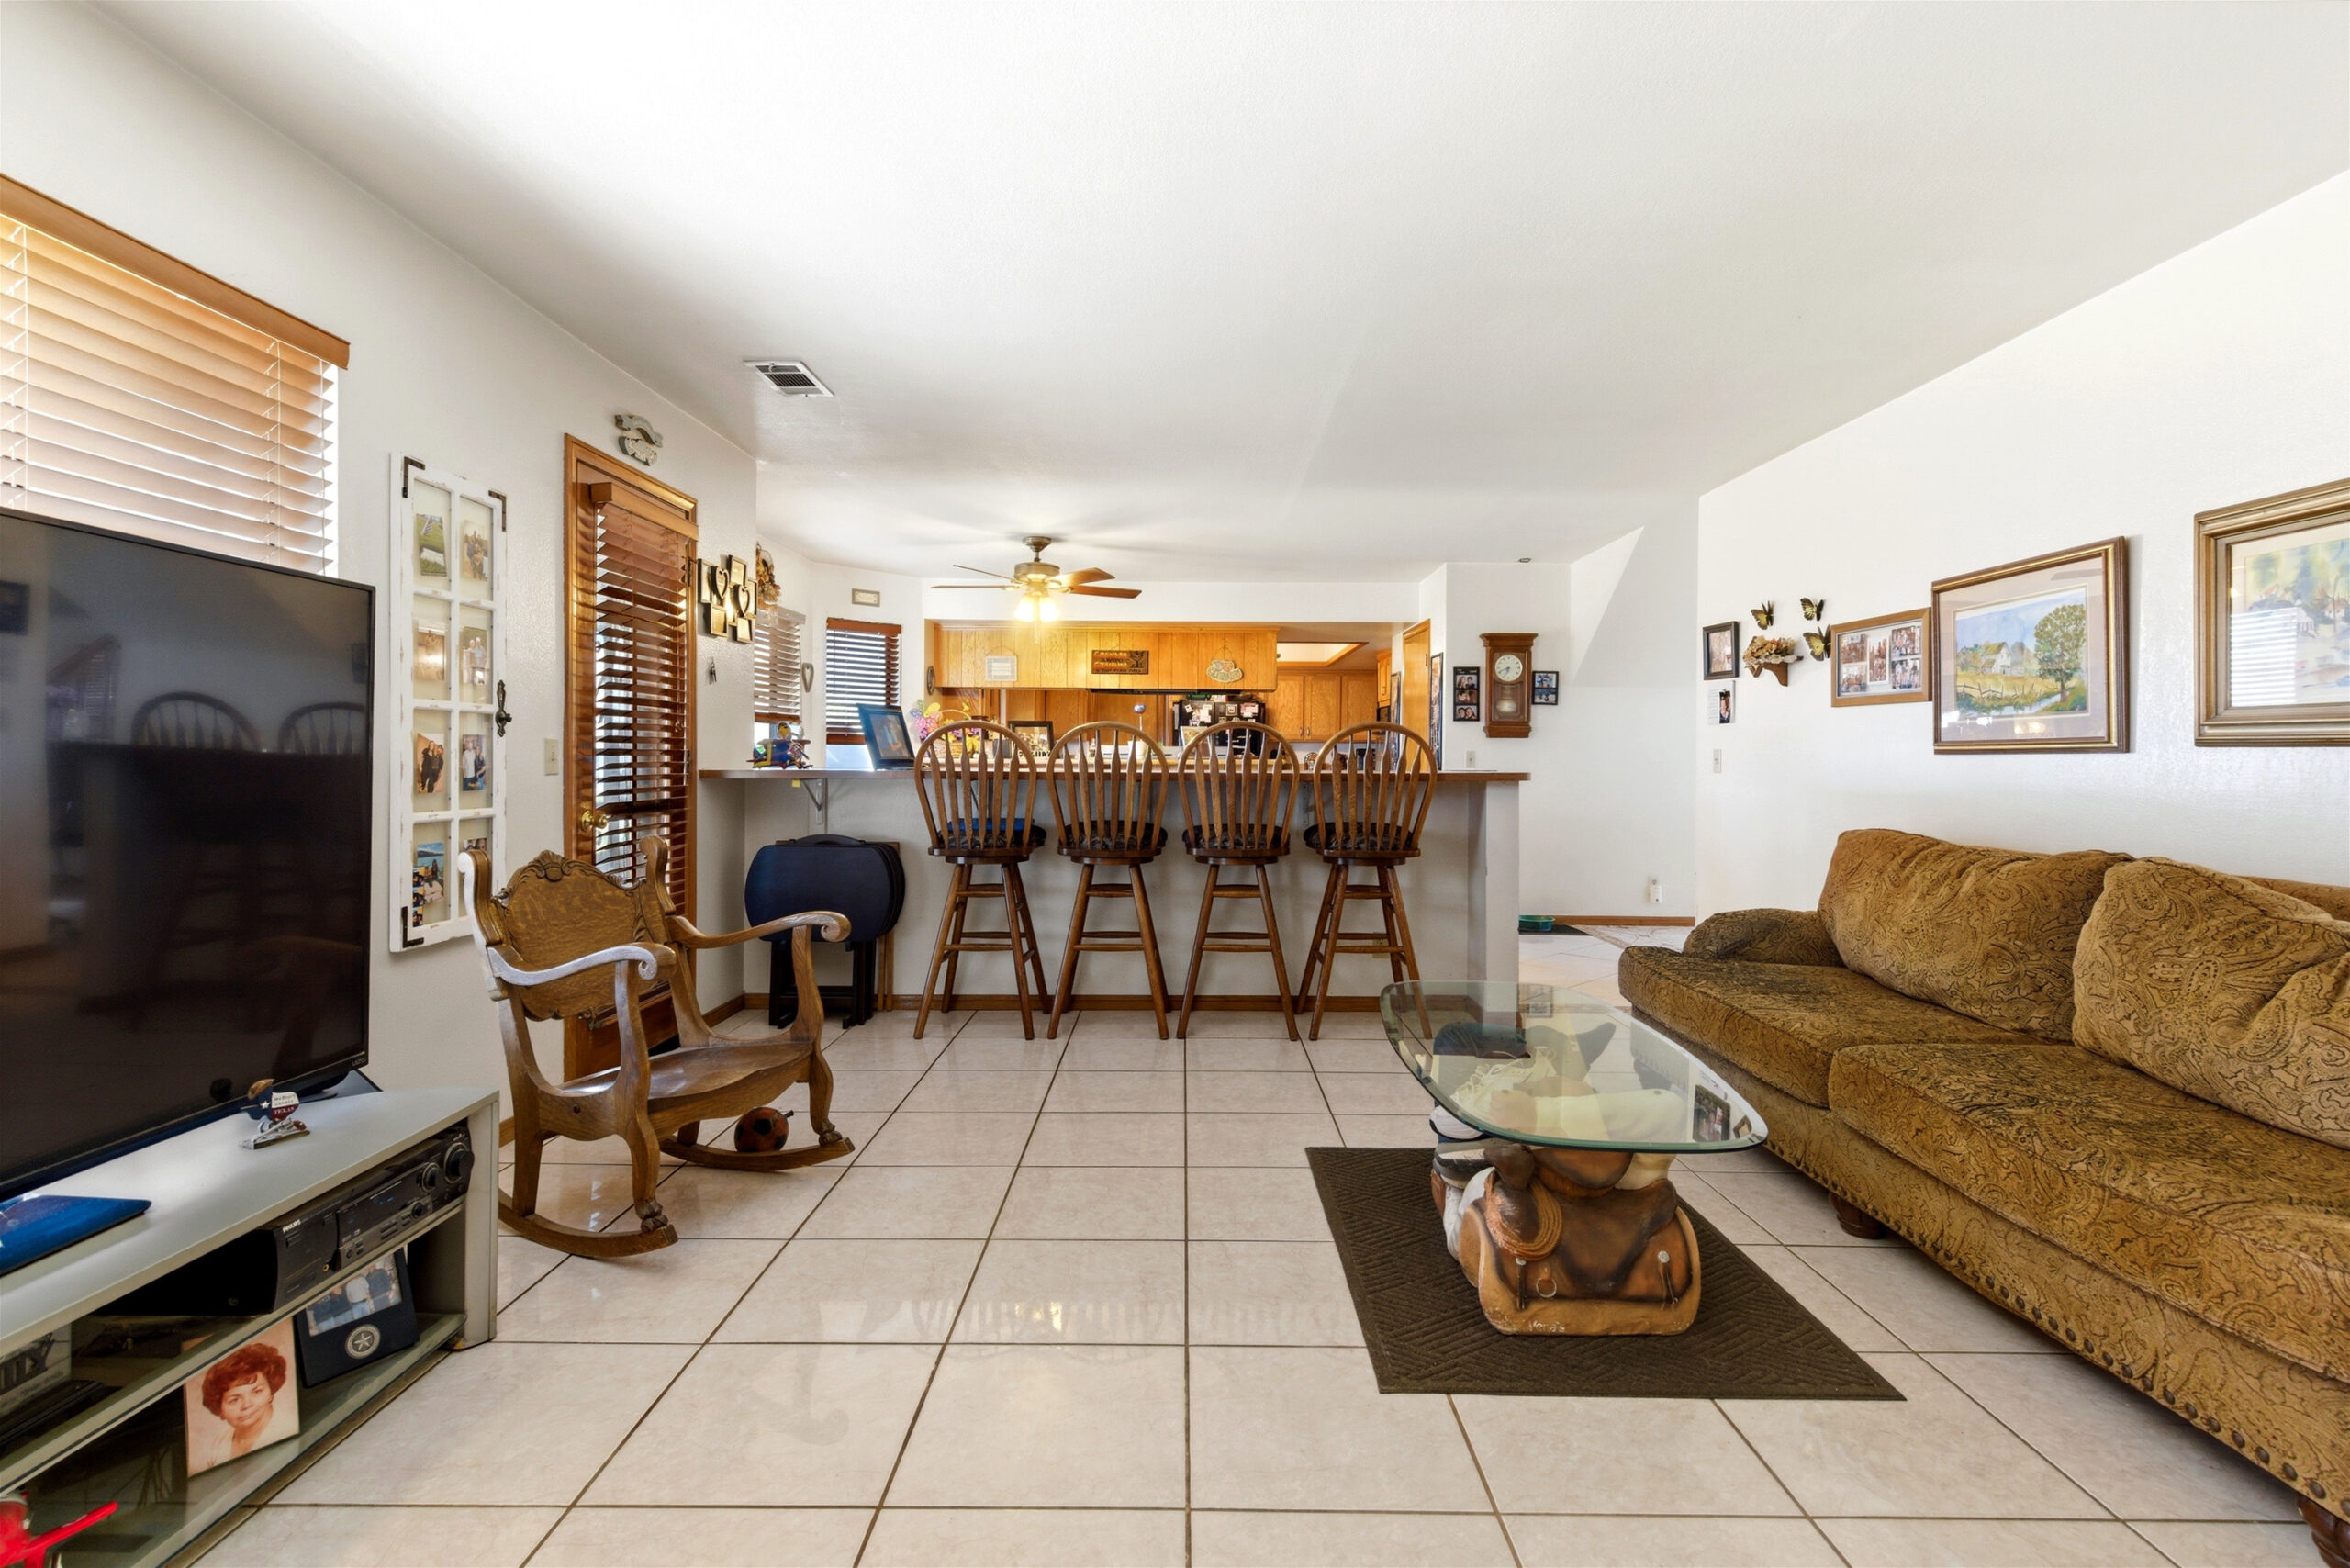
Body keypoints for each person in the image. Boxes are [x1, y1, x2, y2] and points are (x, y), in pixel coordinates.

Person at [189, 1340, 293, 1472]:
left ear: (271, 1393)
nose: (247, 1405)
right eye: (234, 1400)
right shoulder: (218, 1445)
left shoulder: (288, 1427)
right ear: (220, 1409)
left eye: (257, 1392)